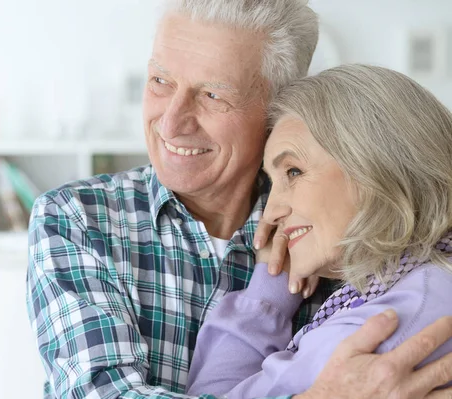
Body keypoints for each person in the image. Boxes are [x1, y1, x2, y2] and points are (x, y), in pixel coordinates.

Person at [25, 1, 452, 398]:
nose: (170, 123)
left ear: (275, 110)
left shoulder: (334, 234)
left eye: (213, 94)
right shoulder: (78, 219)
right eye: (160, 81)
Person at [186, 64, 452, 398]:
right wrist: (274, 281)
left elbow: (213, 393)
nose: (271, 212)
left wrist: (266, 290)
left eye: (293, 172)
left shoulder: (395, 320)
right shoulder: (414, 289)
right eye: (271, 183)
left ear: (376, 164)